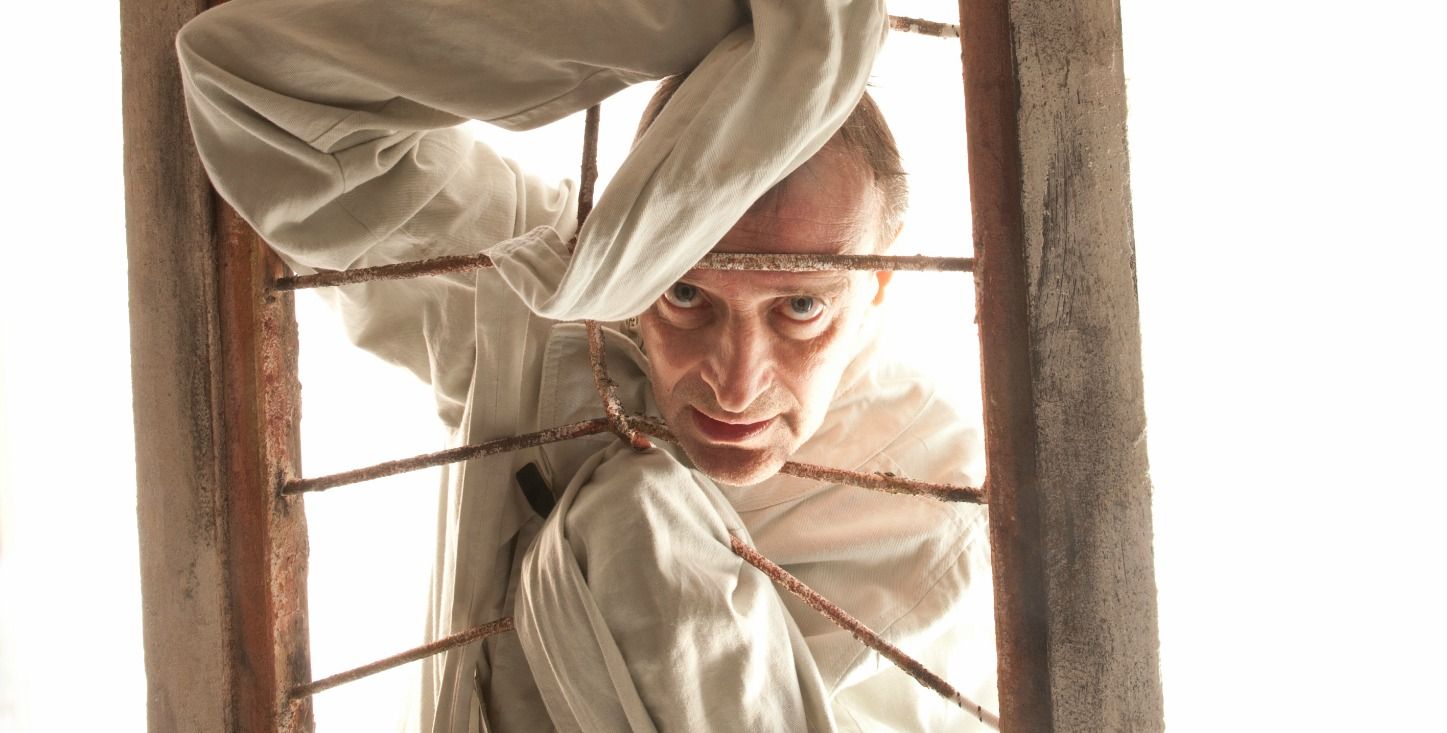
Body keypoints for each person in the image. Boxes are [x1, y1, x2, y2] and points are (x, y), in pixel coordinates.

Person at [177, 0, 997, 730]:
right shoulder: (552, 291)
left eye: (800, 308)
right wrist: (692, 21)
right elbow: (254, 89)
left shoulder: (932, 507)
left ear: (878, 283)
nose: (735, 383)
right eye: (684, 291)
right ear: (632, 246)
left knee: (633, 522)